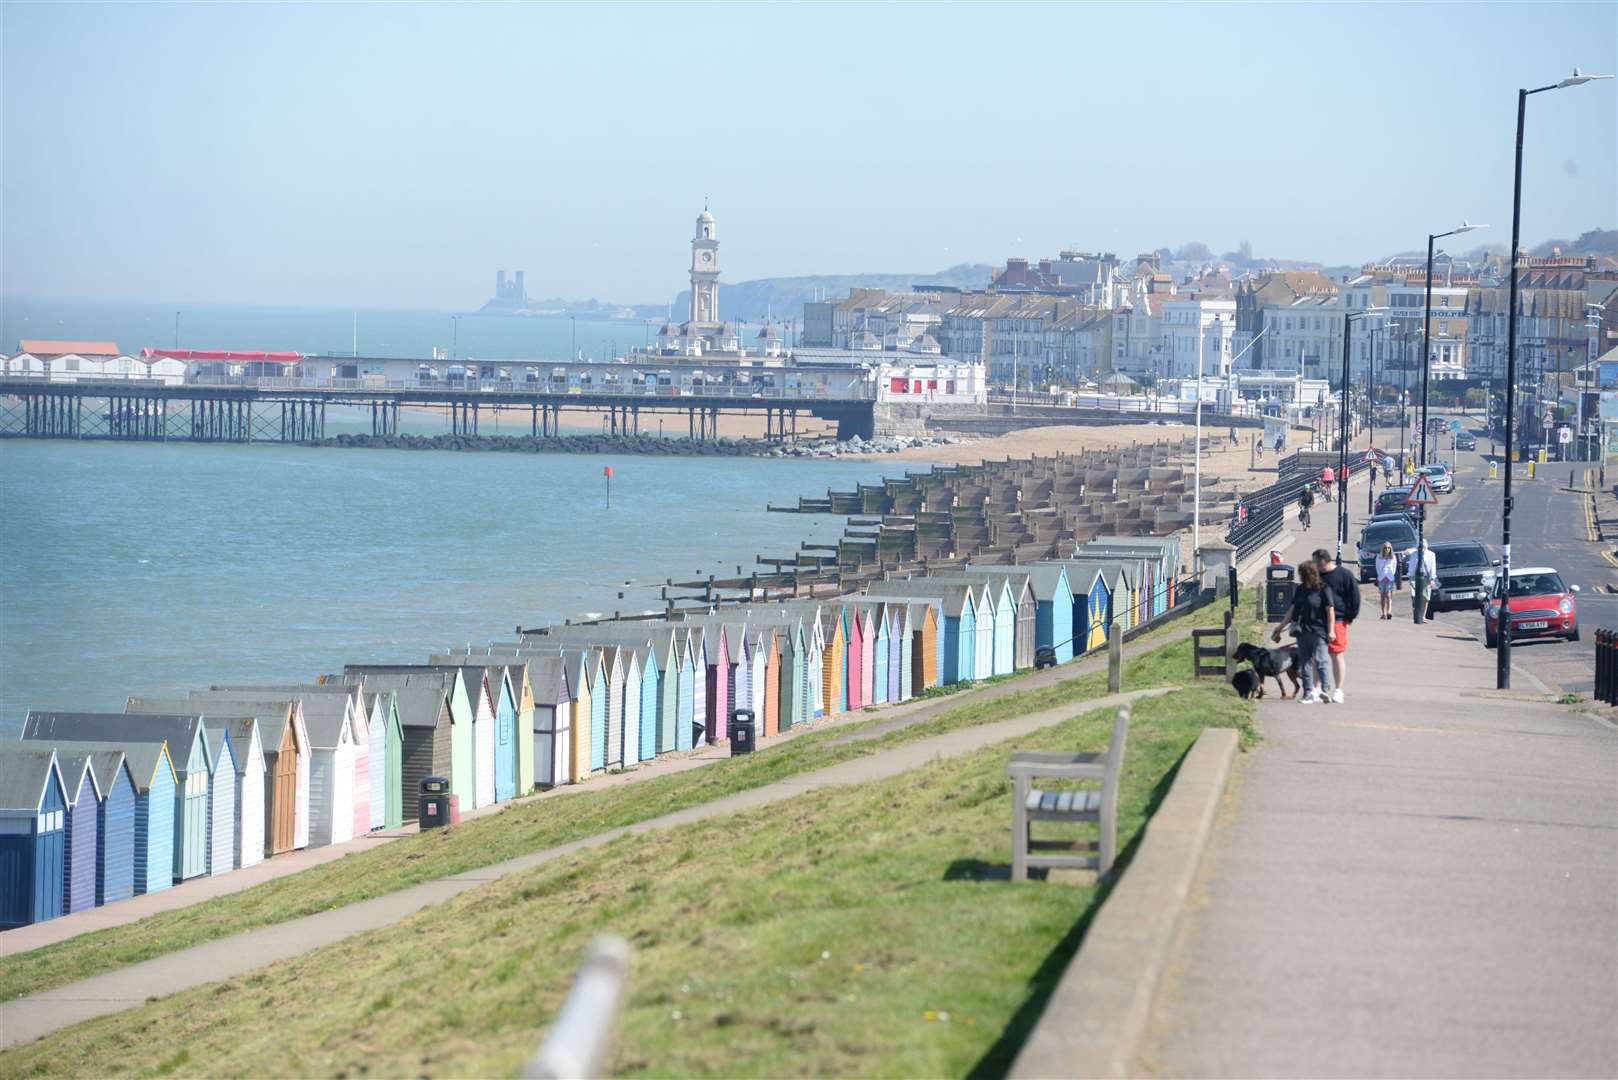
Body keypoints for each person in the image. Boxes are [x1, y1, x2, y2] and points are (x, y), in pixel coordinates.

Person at [1273, 561, 1336, 703]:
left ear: (1311, 573)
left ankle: (1325, 690)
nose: (1301, 576)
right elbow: (1292, 609)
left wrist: (1331, 631)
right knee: (1305, 662)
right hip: (1301, 631)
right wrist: (1280, 627)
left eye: (1303, 573)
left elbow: (1330, 611)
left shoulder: (1323, 589)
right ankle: (1308, 692)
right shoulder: (1300, 589)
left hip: (1319, 630)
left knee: (1321, 660)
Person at [1315, 547, 1360, 703]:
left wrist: (1350, 616)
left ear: (1324, 561)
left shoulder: (1344, 575)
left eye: (1317, 564)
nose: (1316, 567)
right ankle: (1317, 689)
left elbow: (1354, 596)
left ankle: (1338, 690)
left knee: (1336, 655)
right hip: (1317, 620)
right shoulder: (1315, 576)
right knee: (1317, 656)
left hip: (1339, 619)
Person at [1406, 539, 1438, 621]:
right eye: (1420, 547)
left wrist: (1432, 579)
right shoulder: (1414, 554)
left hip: (1427, 577)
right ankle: (1417, 614)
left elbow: (1432, 568)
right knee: (1415, 597)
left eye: (1423, 547)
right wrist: (1410, 577)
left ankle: (1423, 616)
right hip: (1415, 578)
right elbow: (1412, 567)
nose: (1421, 548)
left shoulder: (1431, 554)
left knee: (1425, 597)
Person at [1375, 540, 1399, 620]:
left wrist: (1389, 577)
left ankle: (1389, 612)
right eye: (1385, 548)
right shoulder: (1379, 557)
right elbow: (1378, 568)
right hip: (1381, 578)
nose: (1387, 549)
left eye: (1388, 548)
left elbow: (1394, 568)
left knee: (1388, 595)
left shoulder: (1393, 557)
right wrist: (1381, 577)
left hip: (1390, 578)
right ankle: (1383, 613)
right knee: (1382, 596)